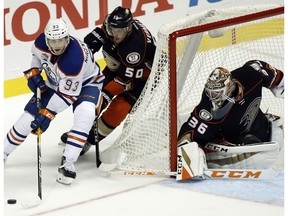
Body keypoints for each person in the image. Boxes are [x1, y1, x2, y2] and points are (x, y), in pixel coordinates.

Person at [4, 18, 104, 185]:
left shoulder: (73, 58)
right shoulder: (39, 43)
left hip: (88, 82)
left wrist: (47, 115)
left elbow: (67, 96)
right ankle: (3, 152)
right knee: (27, 120)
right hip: (57, 81)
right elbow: (37, 57)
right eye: (53, 40)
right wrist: (34, 72)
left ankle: (68, 163)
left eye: (61, 40)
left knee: (85, 115)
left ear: (67, 38)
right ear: (46, 38)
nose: (57, 44)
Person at [60, 6, 156, 155]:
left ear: (129, 28)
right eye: (112, 29)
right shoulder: (112, 25)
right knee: (91, 97)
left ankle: (89, 140)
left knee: (118, 109)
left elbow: (124, 81)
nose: (114, 34)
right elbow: (101, 33)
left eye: (118, 31)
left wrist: (106, 95)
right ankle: (80, 132)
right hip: (121, 67)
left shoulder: (136, 46)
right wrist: (89, 46)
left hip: (143, 78)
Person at [177, 60, 284, 180]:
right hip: (234, 140)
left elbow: (262, 69)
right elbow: (188, 134)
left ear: (228, 88)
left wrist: (280, 82)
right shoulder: (207, 109)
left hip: (259, 125)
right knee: (260, 157)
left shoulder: (250, 76)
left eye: (216, 93)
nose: (212, 97)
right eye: (210, 92)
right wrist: (186, 154)